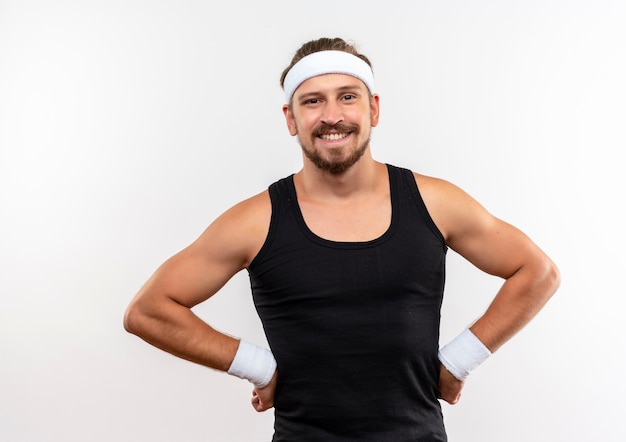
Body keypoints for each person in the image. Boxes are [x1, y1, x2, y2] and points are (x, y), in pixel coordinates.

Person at [124, 37, 560, 441]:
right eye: (312, 101)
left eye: (347, 97)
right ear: (290, 119)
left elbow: (537, 272)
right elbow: (148, 311)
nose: (332, 115)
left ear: (373, 109)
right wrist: (257, 367)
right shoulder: (253, 221)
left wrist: (459, 361)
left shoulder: (436, 202)